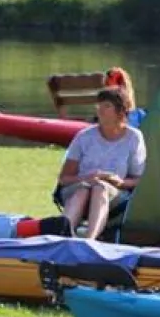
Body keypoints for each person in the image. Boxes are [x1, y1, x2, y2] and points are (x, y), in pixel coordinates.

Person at [55, 88, 146, 240]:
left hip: (114, 192)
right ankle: (63, 236)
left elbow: (139, 179)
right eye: (99, 105)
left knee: (100, 188)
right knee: (84, 190)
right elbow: (64, 179)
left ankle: (90, 240)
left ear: (121, 111)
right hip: (77, 188)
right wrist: (87, 178)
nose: (100, 109)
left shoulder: (134, 138)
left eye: (106, 106)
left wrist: (120, 182)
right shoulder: (84, 137)